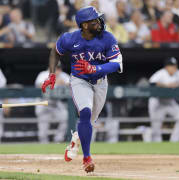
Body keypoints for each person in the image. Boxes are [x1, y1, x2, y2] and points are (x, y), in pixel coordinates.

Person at [41, 6, 123, 173]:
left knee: (90, 121)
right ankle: (87, 158)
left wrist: (95, 69)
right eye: (95, 20)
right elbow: (55, 51)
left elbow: (117, 64)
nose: (100, 22)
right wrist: (51, 74)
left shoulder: (107, 38)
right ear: (85, 25)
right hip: (80, 80)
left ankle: (76, 138)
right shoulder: (70, 38)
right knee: (85, 112)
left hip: (100, 81)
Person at [35, 64, 69, 143]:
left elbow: (71, 85)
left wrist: (64, 83)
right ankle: (43, 145)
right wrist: (53, 82)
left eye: (59, 68)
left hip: (56, 103)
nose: (57, 70)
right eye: (55, 68)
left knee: (66, 117)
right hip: (43, 103)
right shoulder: (43, 74)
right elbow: (39, 85)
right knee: (43, 130)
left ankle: (58, 139)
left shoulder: (63, 75)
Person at [148, 57, 179, 142]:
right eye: (171, 66)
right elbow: (152, 83)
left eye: (175, 65)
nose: (174, 67)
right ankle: (156, 144)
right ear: (166, 67)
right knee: (156, 126)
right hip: (157, 102)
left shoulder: (178, 73)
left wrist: (176, 85)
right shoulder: (161, 73)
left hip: (170, 102)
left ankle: (174, 141)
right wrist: (167, 86)